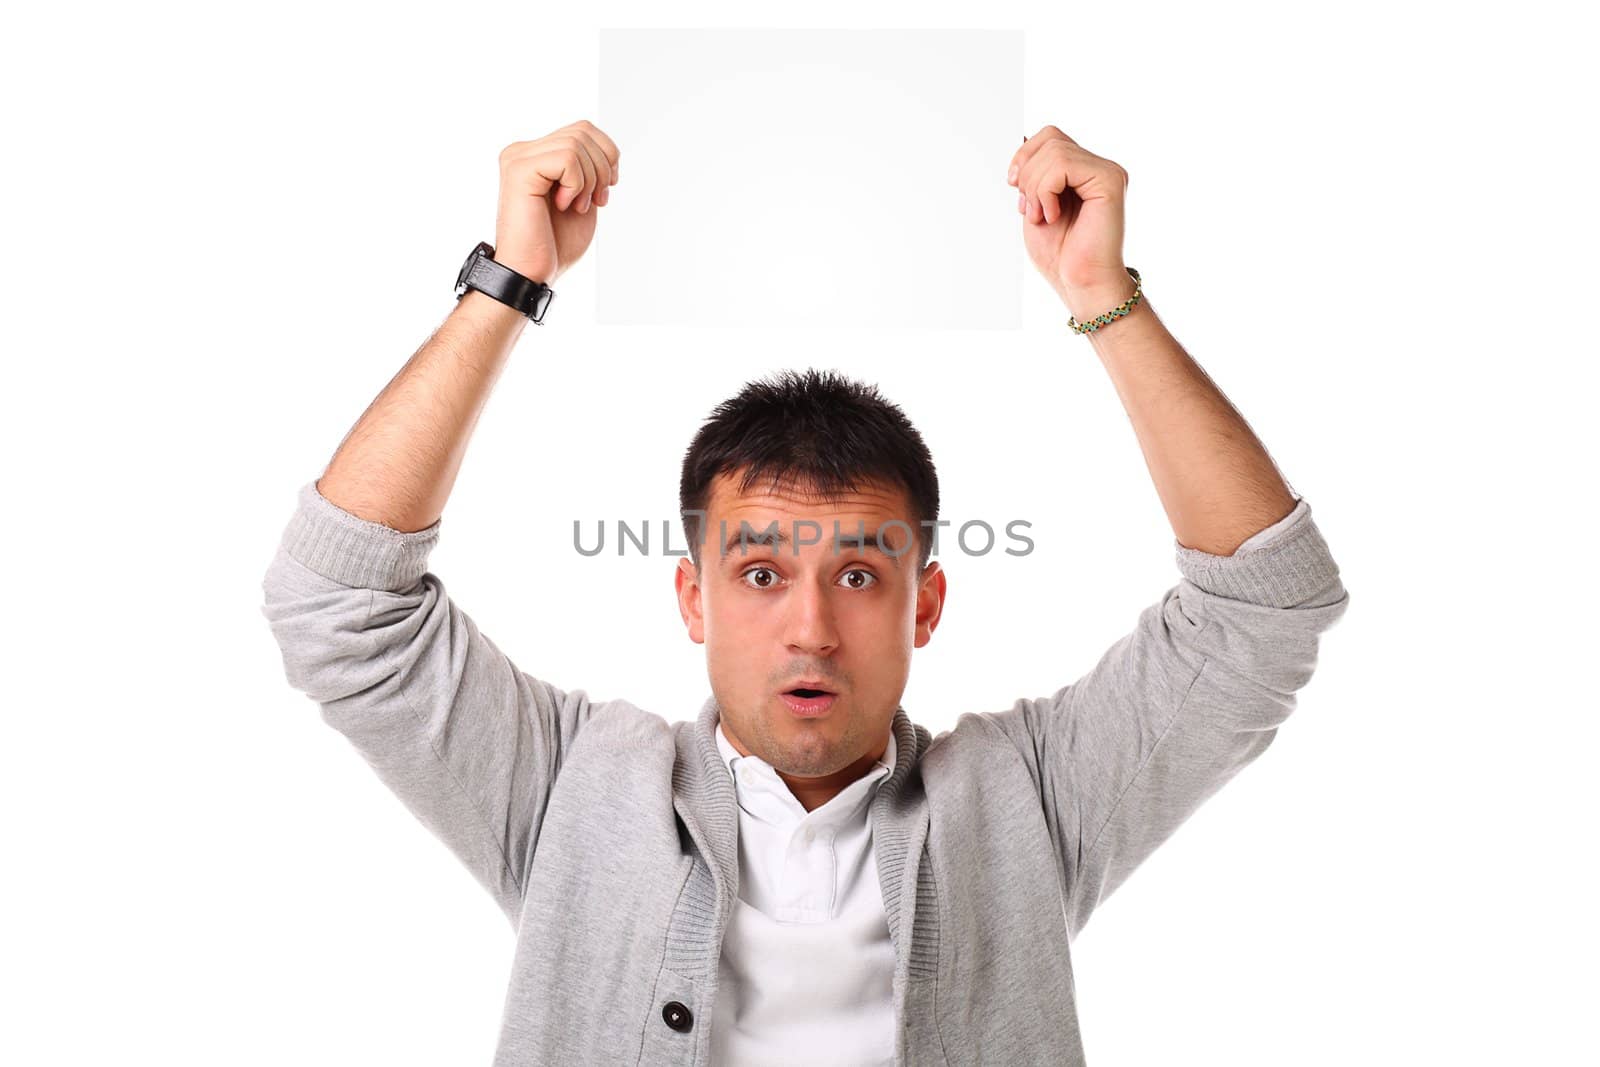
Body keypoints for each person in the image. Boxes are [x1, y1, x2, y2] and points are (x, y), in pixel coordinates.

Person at [260, 120, 1350, 1066]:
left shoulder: (1028, 799)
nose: (812, 629)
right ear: (693, 599)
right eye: (762, 574)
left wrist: (1101, 299)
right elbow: (337, 604)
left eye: (862, 576)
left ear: (925, 607)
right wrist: (509, 278)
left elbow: (1265, 605)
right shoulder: (568, 791)